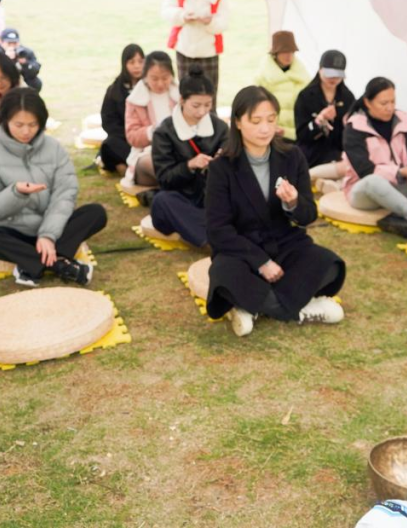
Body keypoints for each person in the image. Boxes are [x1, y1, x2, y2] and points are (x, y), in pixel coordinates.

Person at [205, 86, 346, 337]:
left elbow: (308, 215)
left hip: (284, 243)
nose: (265, 129)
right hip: (242, 251)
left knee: (329, 265)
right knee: (224, 275)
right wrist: (261, 263)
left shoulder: (292, 156)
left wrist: (293, 203)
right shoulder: (221, 167)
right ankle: (301, 308)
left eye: (271, 120)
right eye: (256, 121)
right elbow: (218, 230)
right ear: (237, 122)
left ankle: (254, 306)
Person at [0, 88, 107, 287]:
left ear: (41, 122)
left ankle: (31, 264)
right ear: (5, 121)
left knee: (96, 213)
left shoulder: (54, 148)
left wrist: (47, 235)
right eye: (19, 125)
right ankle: (60, 264)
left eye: (33, 124)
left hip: (53, 229)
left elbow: (64, 195)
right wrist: (16, 193)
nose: (26, 131)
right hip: (12, 232)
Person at [342, 77, 407, 238]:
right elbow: (365, 171)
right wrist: (400, 172)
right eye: (384, 103)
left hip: (397, 186)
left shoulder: (404, 123)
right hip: (364, 191)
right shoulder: (354, 128)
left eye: (393, 102)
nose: (390, 108)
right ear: (368, 102)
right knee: (373, 182)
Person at [148, 67, 228, 247]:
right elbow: (165, 179)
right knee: (162, 201)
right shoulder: (164, 132)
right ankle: (213, 238)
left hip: (213, 198)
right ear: (182, 100)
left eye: (208, 105)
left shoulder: (220, 128)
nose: (202, 111)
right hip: (182, 199)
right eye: (196, 105)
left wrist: (223, 160)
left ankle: (215, 230)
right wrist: (190, 165)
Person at [162, 0, 227, 104]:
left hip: (208, 51)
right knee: (186, 93)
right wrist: (183, 16)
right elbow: (166, 10)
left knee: (209, 93)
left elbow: (224, 22)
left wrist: (209, 21)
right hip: (184, 49)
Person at [294, 49, 354, 192]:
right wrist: (319, 121)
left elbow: (352, 133)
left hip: (338, 153)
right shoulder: (305, 96)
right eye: (329, 74)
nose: (333, 79)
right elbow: (301, 135)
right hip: (312, 153)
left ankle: (327, 183)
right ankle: (314, 178)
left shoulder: (348, 97)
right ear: (320, 69)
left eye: (338, 75)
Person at [124, 50, 178, 191]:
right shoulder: (135, 100)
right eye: (154, 78)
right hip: (147, 155)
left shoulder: (180, 95)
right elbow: (132, 136)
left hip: (179, 152)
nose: (160, 84)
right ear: (145, 77)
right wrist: (153, 132)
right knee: (156, 163)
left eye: (165, 78)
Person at [95, 44, 144, 175]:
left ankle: (130, 166)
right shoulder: (115, 90)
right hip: (124, 137)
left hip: (145, 137)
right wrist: (129, 135)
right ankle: (124, 166)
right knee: (109, 145)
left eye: (140, 61)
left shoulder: (149, 86)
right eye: (132, 62)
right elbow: (108, 121)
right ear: (124, 64)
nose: (137, 66)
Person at [254, 30, 309, 140]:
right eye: (284, 52)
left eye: (291, 52)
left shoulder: (303, 76)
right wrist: (271, 128)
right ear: (275, 53)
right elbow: (256, 108)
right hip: (272, 134)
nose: (288, 56)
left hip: (299, 134)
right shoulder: (263, 78)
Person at [0, 28, 43, 92]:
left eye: (15, 43)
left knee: (35, 82)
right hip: (4, 82)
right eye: (9, 43)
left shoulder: (24, 52)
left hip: (22, 80)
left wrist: (25, 63)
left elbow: (35, 70)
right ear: (2, 43)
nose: (12, 46)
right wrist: (6, 59)